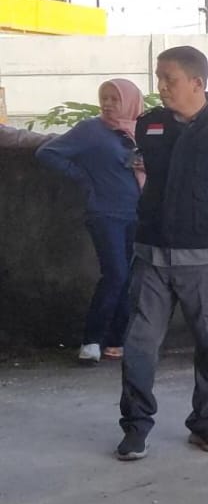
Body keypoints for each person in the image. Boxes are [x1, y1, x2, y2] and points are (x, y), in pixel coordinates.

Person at [116, 47, 208, 462]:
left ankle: (206, 422)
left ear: (197, 83)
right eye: (158, 78)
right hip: (152, 256)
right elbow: (141, 174)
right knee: (140, 345)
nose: (161, 86)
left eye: (170, 79)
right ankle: (136, 426)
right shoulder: (150, 125)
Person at [36, 79, 146, 364]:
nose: (107, 104)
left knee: (129, 278)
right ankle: (91, 340)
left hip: (137, 213)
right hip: (105, 213)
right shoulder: (91, 130)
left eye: (114, 98)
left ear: (130, 101)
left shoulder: (140, 130)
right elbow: (48, 152)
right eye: (104, 97)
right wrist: (84, 178)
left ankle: (116, 341)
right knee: (115, 274)